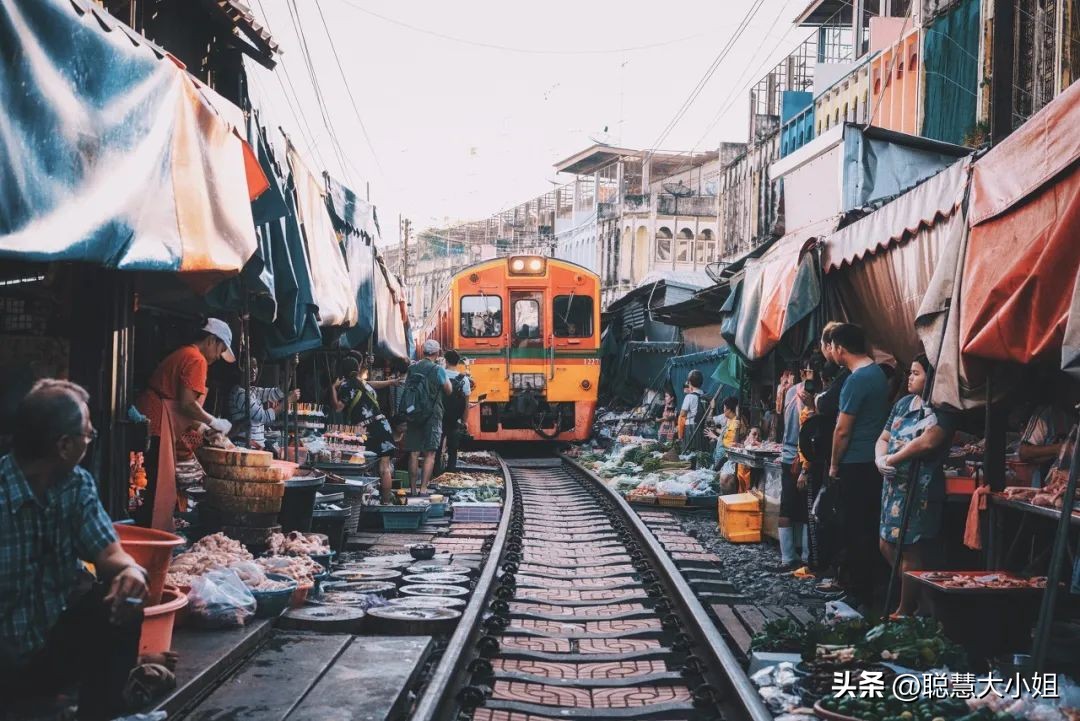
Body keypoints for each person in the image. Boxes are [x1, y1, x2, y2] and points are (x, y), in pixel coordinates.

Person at [1, 380, 149, 720]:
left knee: (123, 605)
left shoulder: (77, 485)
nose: (90, 439)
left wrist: (129, 571)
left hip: (48, 648)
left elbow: (108, 553)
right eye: (87, 434)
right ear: (64, 445)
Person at [875, 354, 956, 618]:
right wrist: (880, 458)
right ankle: (923, 600)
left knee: (910, 547)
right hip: (893, 487)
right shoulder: (902, 405)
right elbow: (884, 437)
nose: (909, 377)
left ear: (931, 378)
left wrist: (893, 458)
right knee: (886, 544)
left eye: (916, 373)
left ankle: (906, 608)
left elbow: (928, 442)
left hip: (920, 488)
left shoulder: (942, 409)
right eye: (910, 372)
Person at [136, 318, 235, 530]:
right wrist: (213, 421)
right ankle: (152, 535)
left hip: (155, 421)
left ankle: (153, 529)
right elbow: (188, 405)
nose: (218, 357)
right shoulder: (196, 359)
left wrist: (204, 429)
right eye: (220, 350)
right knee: (158, 487)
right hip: (157, 423)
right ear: (211, 340)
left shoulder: (185, 354)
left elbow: (184, 409)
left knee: (155, 485)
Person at [828, 323, 892, 607]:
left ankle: (858, 592)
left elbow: (842, 430)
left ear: (840, 349)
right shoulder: (877, 373)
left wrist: (833, 464)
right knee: (868, 526)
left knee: (853, 529)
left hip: (855, 461)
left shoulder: (855, 380)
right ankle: (868, 589)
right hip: (874, 462)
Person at [331, 357, 403, 504]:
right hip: (383, 426)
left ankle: (363, 501)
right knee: (384, 468)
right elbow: (372, 384)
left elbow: (338, 408)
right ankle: (385, 502)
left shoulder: (346, 386)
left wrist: (333, 388)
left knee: (363, 466)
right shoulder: (363, 384)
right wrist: (390, 382)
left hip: (367, 430)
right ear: (357, 369)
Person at [773, 365, 810, 572]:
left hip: (788, 455)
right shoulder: (807, 394)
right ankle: (804, 556)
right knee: (806, 508)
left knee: (787, 506)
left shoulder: (789, 392)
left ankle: (788, 557)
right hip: (800, 455)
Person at [403, 340, 452, 494]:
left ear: (423, 352)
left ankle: (412, 489)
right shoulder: (438, 369)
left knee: (413, 452)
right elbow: (448, 390)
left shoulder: (412, 368)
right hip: (432, 414)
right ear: (437, 353)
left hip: (414, 413)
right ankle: (423, 489)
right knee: (430, 453)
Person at [226, 357, 295, 453]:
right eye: (250, 367)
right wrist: (287, 401)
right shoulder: (239, 393)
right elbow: (263, 416)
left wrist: (290, 374)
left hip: (257, 447)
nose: (253, 370)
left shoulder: (253, 390)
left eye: (255, 367)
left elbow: (278, 393)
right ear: (241, 368)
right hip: (245, 447)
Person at [442, 350, 473, 472]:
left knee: (436, 448)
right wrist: (464, 421)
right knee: (453, 449)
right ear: (457, 362)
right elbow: (466, 404)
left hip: (439, 416)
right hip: (455, 419)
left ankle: (436, 473)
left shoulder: (440, 374)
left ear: (446, 361)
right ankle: (450, 471)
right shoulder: (464, 380)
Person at [678, 370, 708, 453]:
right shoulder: (705, 395)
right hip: (703, 427)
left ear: (689, 382)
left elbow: (682, 414)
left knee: (690, 452)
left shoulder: (689, 397)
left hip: (691, 428)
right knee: (701, 452)